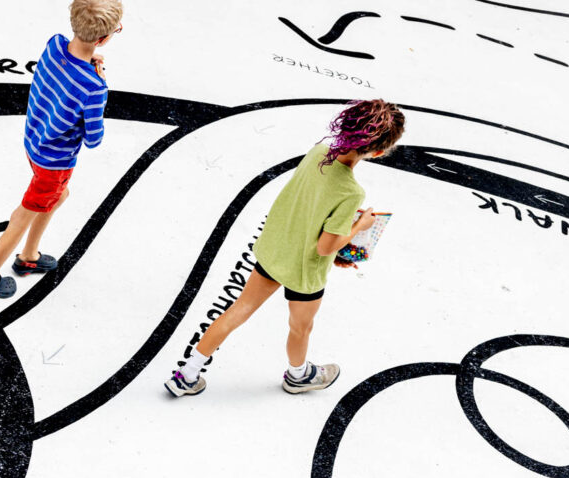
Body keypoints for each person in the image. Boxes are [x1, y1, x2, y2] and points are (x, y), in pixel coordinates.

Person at [164, 99, 406, 397]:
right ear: (379, 151)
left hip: (277, 248)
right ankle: (298, 375)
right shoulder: (351, 192)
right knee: (300, 328)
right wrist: (359, 227)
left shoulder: (318, 152)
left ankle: (187, 375)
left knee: (238, 310)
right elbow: (325, 246)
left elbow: (309, 209)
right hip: (304, 271)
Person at [0, 0, 124, 299]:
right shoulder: (94, 88)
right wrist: (100, 82)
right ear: (104, 38)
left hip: (34, 141)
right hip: (55, 162)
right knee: (23, 215)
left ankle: (30, 255)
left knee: (59, 195)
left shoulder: (54, 45)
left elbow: (64, 77)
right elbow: (93, 139)